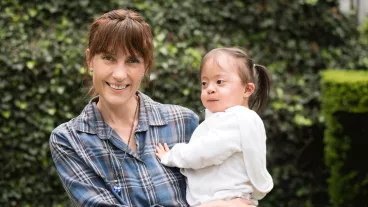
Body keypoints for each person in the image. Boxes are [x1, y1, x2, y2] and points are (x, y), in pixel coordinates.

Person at [50, 9, 254, 206]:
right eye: (108, 58)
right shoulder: (70, 140)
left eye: (132, 60)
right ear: (90, 60)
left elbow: (223, 190)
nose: (120, 74)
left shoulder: (184, 122)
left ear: (145, 67)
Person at [156, 47, 274, 206]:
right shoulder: (233, 119)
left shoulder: (237, 120)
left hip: (225, 200)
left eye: (220, 82)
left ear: (247, 89)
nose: (210, 89)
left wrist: (171, 156)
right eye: (204, 83)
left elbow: (203, 152)